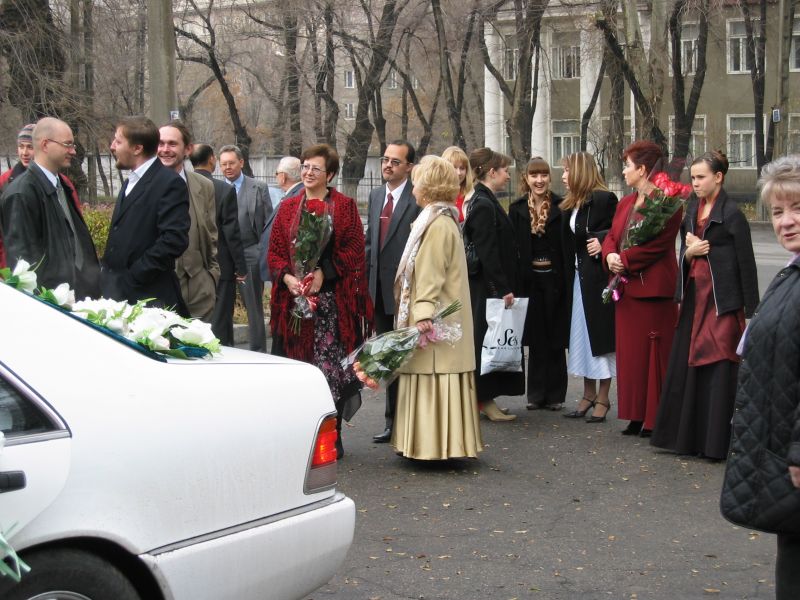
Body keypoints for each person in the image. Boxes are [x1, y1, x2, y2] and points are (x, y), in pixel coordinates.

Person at [720, 154, 800, 600]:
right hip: (779, 446)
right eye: (777, 211)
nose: (786, 221)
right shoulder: (793, 272)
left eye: (797, 208)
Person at [651, 151, 758, 459]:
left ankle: (715, 443)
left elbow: (746, 264)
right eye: (693, 178)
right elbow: (684, 253)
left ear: (718, 177)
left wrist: (752, 313)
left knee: (718, 363)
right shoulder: (692, 209)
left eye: (701, 177)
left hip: (721, 302)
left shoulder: (732, 214)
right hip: (695, 298)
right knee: (687, 364)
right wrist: (690, 253)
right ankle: (688, 439)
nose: (695, 183)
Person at [268, 143, 373, 458]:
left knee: (329, 371)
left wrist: (323, 273)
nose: (308, 172)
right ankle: (301, 434)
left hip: (330, 305)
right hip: (295, 306)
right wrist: (288, 277)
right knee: (299, 371)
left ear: (330, 174)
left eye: (316, 168)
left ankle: (331, 434)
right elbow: (274, 252)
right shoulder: (289, 206)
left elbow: (353, 251)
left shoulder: (344, 206)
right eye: (305, 166)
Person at [392, 155, 482, 459]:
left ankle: (431, 448)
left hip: (438, 319)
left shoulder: (437, 223)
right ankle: (442, 445)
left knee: (433, 376)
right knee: (438, 377)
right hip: (445, 317)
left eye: (417, 182)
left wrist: (423, 312)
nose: (413, 188)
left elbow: (430, 273)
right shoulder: (441, 218)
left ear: (429, 186)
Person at [601, 141, 681, 437]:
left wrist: (624, 260)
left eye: (627, 166)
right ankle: (635, 413)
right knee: (631, 356)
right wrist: (610, 255)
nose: (624, 171)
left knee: (654, 355)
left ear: (643, 169)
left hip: (653, 293)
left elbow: (658, 246)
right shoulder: (626, 202)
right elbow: (612, 235)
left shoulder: (666, 203)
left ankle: (654, 417)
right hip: (627, 291)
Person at [1, 117, 100, 299]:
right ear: (45, 145)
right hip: (50, 302)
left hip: (74, 296)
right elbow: (23, 265)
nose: (73, 151)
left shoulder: (61, 185)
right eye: (67, 144)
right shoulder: (21, 193)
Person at [102, 116, 190, 314]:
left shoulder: (169, 183)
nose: (112, 146)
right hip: (119, 296)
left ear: (137, 148)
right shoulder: (129, 182)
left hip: (149, 300)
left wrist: (133, 276)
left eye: (118, 141)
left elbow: (174, 240)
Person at [366, 140, 420, 443]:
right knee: (388, 358)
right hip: (379, 293)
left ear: (409, 167)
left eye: (395, 161)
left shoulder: (417, 199)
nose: (387, 165)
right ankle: (392, 421)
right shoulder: (376, 196)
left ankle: (407, 421)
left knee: (407, 359)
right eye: (385, 159)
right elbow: (371, 244)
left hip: (405, 294)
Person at [463, 147, 522, 422]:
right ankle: (484, 399)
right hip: (487, 288)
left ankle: (487, 399)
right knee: (487, 343)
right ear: (491, 172)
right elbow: (488, 252)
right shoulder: (484, 205)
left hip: (487, 287)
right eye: (505, 170)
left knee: (489, 341)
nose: (508, 175)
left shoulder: (483, 200)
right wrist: (502, 288)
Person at [560, 152, 617, 423]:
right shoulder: (573, 202)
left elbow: (620, 231)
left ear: (580, 172)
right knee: (581, 337)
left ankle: (603, 397)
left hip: (597, 279)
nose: (563, 176)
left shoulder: (604, 199)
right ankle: (587, 394)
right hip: (578, 277)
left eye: (567, 170)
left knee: (599, 337)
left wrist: (602, 239)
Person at [508, 157, 568, 411]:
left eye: (544, 175)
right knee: (535, 338)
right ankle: (535, 394)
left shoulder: (562, 206)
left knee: (555, 337)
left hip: (555, 280)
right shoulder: (517, 208)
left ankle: (555, 395)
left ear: (549, 178)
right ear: (527, 178)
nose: (539, 180)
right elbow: (512, 247)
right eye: (534, 175)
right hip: (529, 281)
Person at [158, 121, 219, 321]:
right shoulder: (142, 185)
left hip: (199, 292)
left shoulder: (204, 186)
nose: (165, 149)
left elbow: (211, 234)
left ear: (188, 149)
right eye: (160, 143)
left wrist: (212, 277)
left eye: (172, 144)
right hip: (158, 294)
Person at [189, 143, 248, 345]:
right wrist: (241, 266)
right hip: (221, 264)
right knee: (221, 320)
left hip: (191, 264)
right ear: (212, 159)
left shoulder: (182, 185)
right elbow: (231, 232)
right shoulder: (223, 189)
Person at [219, 144, 272, 352]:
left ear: (241, 162)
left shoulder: (258, 187)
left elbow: (268, 223)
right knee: (222, 306)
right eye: (223, 164)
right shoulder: (215, 188)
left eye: (231, 163)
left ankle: (259, 351)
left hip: (250, 252)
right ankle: (224, 349)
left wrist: (262, 253)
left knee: (253, 306)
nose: (227, 167)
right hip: (223, 255)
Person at [258, 156, 303, 283]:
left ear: (283, 176)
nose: (276, 176)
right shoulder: (294, 193)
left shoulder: (296, 196)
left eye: (276, 173)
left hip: (287, 271)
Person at [441, 146, 474, 222]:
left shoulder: (473, 196)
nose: (458, 173)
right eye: (454, 167)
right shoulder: (434, 196)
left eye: (462, 168)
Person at [0, 124, 35, 192]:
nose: (24, 153)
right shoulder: (4, 179)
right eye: (21, 146)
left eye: (30, 147)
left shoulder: (53, 177)